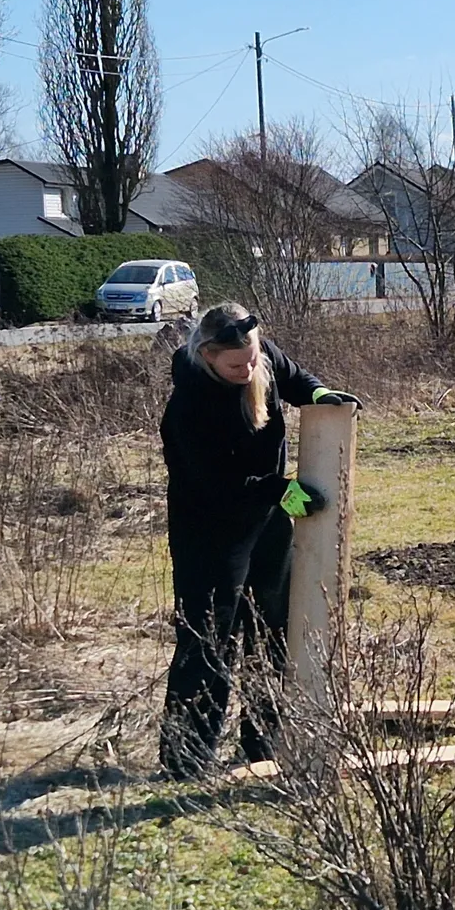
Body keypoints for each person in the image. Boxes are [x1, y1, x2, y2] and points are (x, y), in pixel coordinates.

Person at [158, 301, 358, 779]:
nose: (248, 369)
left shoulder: (258, 354)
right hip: (210, 533)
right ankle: (187, 758)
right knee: (210, 640)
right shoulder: (188, 407)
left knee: (271, 631)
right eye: (235, 364)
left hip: (265, 523)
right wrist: (279, 490)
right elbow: (216, 485)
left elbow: (291, 378)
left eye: (251, 358)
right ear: (207, 356)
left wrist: (320, 393)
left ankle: (262, 744)